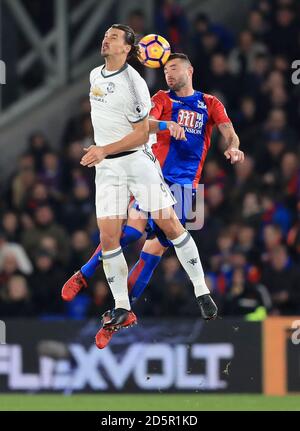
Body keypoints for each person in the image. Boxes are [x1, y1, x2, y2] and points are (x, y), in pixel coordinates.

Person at [62, 26, 220, 344]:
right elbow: (143, 123)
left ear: (129, 48)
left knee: (164, 232)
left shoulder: (136, 83)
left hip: (142, 165)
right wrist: (164, 124)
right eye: (105, 34)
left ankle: (201, 291)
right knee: (111, 239)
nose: (105, 39)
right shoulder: (96, 76)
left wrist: (104, 148)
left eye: (114, 37)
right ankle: (121, 308)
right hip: (108, 167)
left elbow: (138, 133)